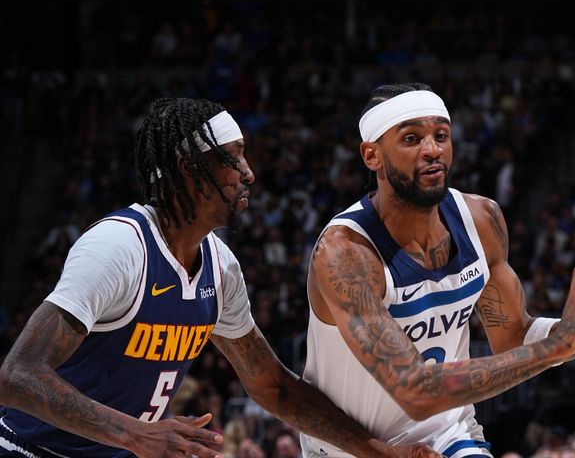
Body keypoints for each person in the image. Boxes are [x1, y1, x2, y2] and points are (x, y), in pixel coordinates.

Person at [0, 97, 438, 458]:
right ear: (189, 169)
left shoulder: (220, 266)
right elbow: (17, 375)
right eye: (232, 159)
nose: (249, 173)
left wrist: (381, 453)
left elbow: (274, 386)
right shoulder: (119, 248)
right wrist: (136, 433)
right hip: (30, 450)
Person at [302, 83, 575, 457]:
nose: (432, 150)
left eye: (442, 135)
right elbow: (415, 391)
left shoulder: (481, 220)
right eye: (411, 139)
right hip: (352, 449)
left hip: (447, 434)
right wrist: (556, 345)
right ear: (372, 156)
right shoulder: (347, 254)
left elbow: (514, 338)